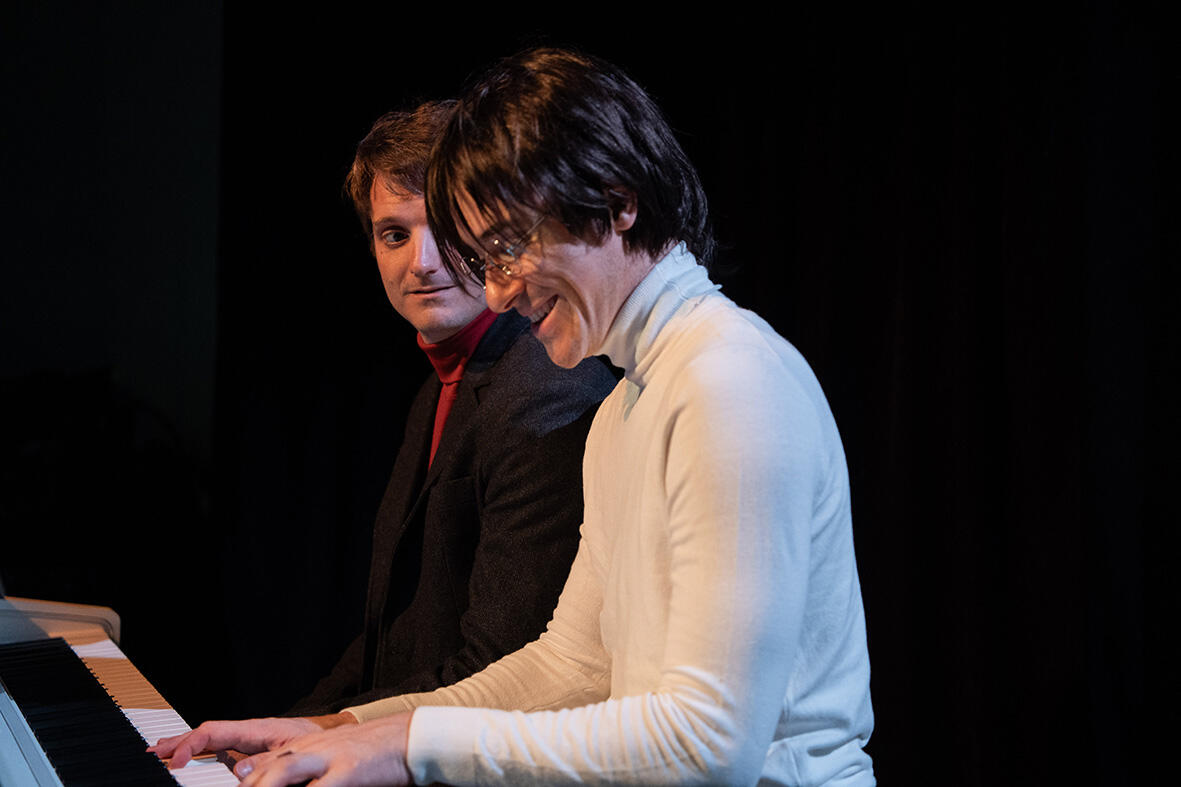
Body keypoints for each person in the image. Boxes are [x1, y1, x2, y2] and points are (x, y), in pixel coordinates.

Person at [153, 49, 875, 786]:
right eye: (484, 258)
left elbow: (706, 746)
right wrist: (343, 730)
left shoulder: (728, 381)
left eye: (508, 246)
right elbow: (569, 664)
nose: (496, 293)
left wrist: (408, 748)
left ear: (616, 202)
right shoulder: (630, 400)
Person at [234, 102, 615, 717]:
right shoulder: (441, 386)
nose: (422, 262)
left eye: (447, 227)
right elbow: (392, 637)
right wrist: (290, 727)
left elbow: (499, 668)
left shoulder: (545, 388)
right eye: (395, 235)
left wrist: (322, 735)